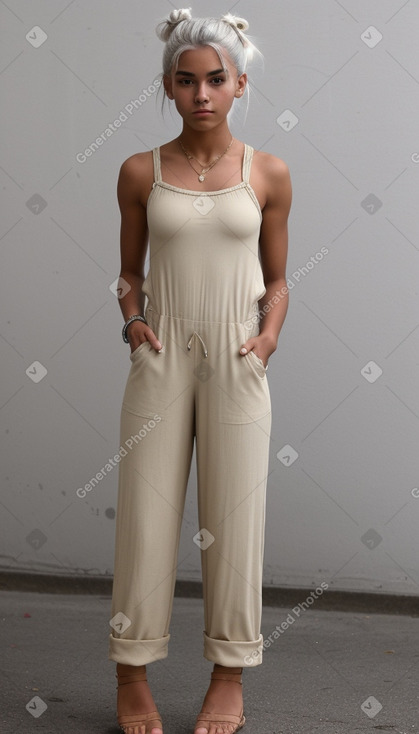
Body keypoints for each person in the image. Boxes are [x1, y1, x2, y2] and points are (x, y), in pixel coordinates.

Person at [108, 7, 292, 734]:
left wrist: (268, 337)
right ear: (167, 86)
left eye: (216, 80)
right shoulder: (138, 171)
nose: (201, 94)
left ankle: (227, 676)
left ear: (240, 83)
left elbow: (278, 280)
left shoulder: (268, 173)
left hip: (237, 357)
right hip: (162, 355)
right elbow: (127, 272)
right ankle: (131, 673)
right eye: (185, 82)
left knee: (234, 519)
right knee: (146, 520)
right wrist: (132, 322)